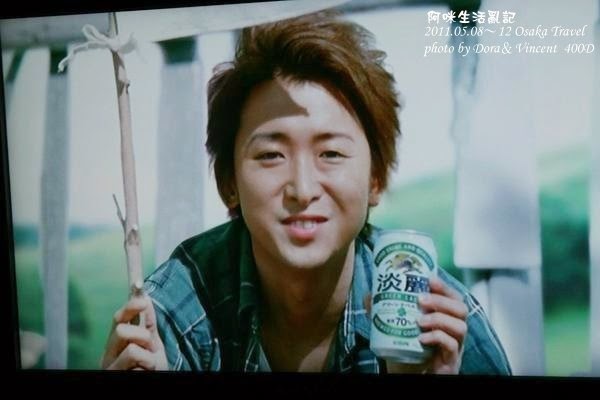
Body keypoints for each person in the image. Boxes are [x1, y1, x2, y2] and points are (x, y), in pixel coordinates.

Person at [101, 10, 511, 374]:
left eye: (331, 154)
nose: (302, 188)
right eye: (271, 155)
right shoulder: (175, 308)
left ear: (375, 179)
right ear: (229, 183)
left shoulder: (438, 326)